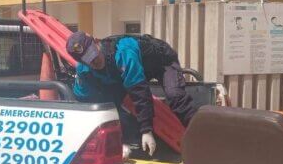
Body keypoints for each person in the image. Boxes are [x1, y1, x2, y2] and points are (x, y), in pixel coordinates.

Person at [66, 31, 198, 155]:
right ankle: (128, 141)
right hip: (128, 70)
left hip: (162, 62)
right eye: (88, 59)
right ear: (81, 61)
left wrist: (147, 130)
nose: (94, 60)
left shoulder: (123, 52)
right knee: (110, 102)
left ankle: (202, 133)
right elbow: (83, 98)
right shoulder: (84, 71)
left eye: (93, 53)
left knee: (175, 96)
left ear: (96, 42)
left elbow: (139, 92)